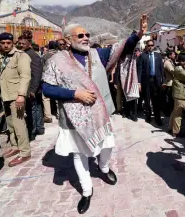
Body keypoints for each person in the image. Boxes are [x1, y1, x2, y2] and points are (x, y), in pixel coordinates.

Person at [42, 15, 147, 214]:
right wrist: (75, 94)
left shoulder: (98, 54)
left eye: (87, 35)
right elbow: (47, 88)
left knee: (107, 145)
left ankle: (104, 168)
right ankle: (87, 191)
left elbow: (121, 48)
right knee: (79, 154)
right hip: (73, 118)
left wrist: (138, 34)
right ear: (67, 39)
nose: (85, 38)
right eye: (80, 35)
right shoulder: (57, 61)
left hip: (100, 113)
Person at [0, 32, 31, 167]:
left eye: (8, 43)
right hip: (5, 96)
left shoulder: (20, 56)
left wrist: (21, 95)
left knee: (19, 124)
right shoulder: (1, 57)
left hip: (16, 97)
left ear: (13, 43)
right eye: (3, 43)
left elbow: (25, 76)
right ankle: (15, 146)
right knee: (10, 124)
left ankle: (24, 152)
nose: (6, 45)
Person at [18, 32, 45, 141]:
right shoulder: (26, 53)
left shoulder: (32, 55)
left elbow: (37, 73)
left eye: (23, 44)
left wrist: (32, 89)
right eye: (19, 43)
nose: (20, 45)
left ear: (29, 44)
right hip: (34, 88)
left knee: (32, 110)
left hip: (32, 88)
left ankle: (33, 131)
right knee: (36, 108)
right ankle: (39, 128)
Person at [137, 39, 164, 126]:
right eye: (149, 45)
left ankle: (157, 118)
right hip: (146, 82)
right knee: (147, 100)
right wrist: (139, 83)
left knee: (157, 100)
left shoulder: (158, 56)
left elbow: (161, 69)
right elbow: (140, 70)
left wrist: (163, 80)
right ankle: (148, 116)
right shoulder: (142, 56)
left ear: (154, 46)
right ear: (146, 46)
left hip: (156, 82)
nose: (150, 47)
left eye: (152, 45)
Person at [163, 50, 176, 117]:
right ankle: (167, 112)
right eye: (173, 54)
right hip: (169, 83)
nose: (175, 55)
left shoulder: (171, 62)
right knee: (168, 99)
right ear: (170, 55)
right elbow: (172, 71)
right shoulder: (167, 63)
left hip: (171, 82)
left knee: (170, 99)